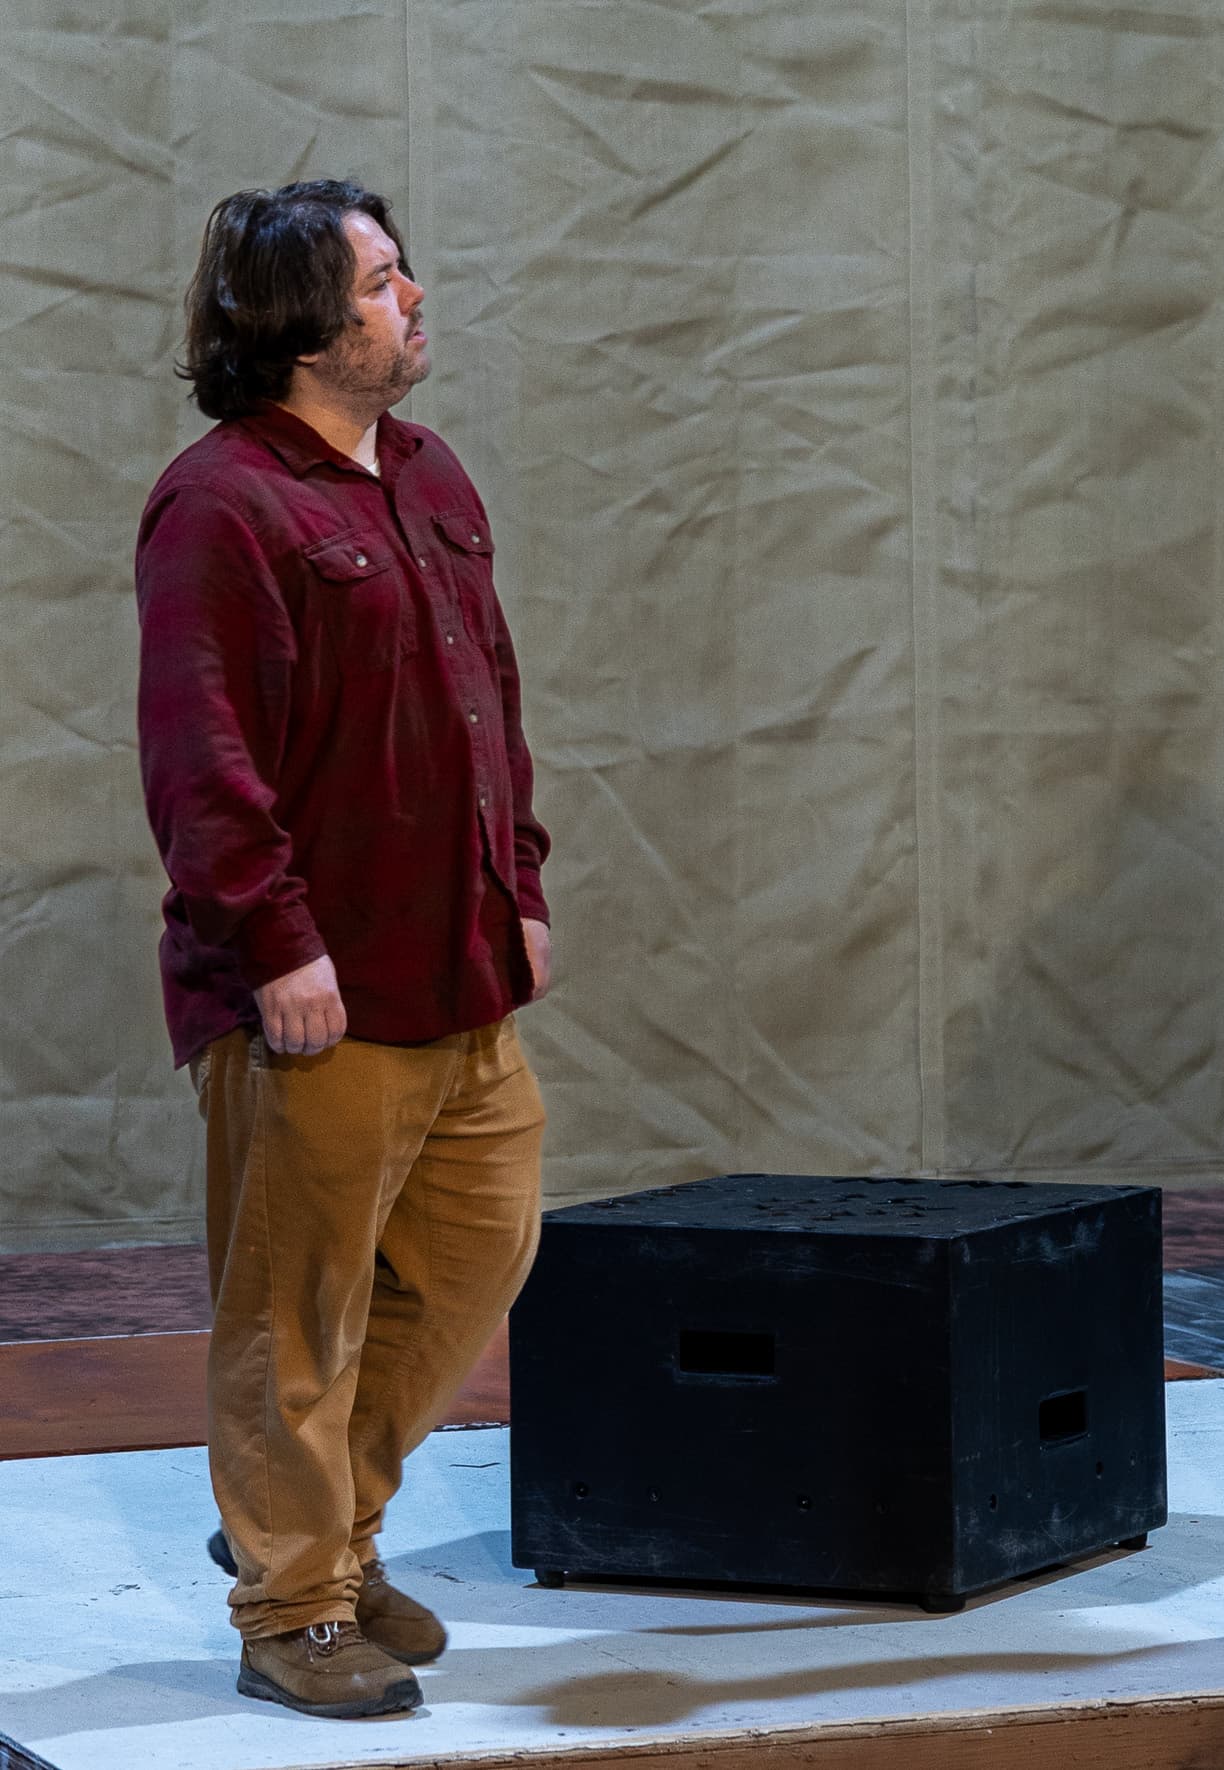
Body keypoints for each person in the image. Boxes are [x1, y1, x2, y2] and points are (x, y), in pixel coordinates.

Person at [136, 180, 554, 1718]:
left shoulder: (428, 472)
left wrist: (520, 878)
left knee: (471, 1257)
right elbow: (201, 756)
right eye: (382, 281)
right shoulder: (222, 503)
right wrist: (276, 943)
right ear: (302, 324)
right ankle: (296, 1600)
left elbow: (486, 697)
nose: (415, 297)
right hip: (313, 991)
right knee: (294, 1310)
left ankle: (314, 1525)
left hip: (462, 971)